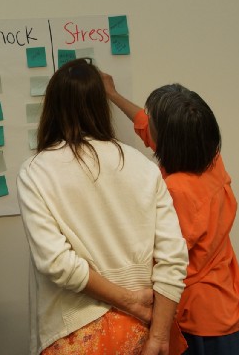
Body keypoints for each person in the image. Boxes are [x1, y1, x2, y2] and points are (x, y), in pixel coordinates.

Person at [17, 58, 189, 355]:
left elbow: (56, 263)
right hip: (142, 333)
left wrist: (126, 300)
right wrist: (160, 336)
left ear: (52, 108)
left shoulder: (36, 170)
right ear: (101, 104)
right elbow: (174, 258)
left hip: (74, 334)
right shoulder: (143, 167)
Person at [102, 74, 239, 355]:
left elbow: (166, 261)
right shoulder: (210, 158)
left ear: (171, 140)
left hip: (203, 321)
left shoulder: (175, 190)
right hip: (233, 302)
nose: (149, 127)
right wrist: (112, 94)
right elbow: (149, 128)